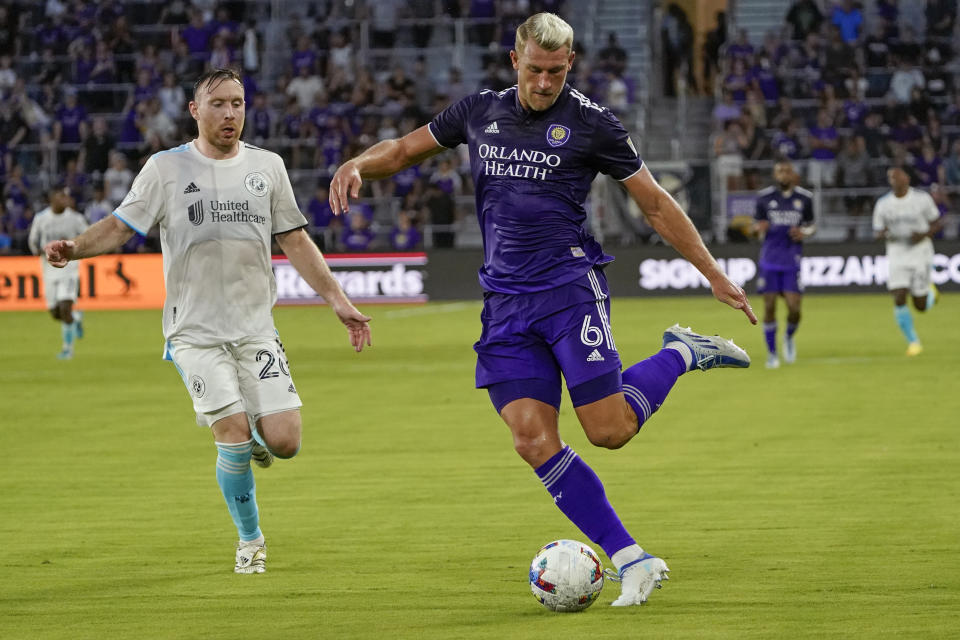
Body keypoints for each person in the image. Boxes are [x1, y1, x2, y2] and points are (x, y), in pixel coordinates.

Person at [329, 13, 756, 607]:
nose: (545, 82)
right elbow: (402, 150)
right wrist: (357, 163)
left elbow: (656, 205)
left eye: (556, 71)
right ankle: (633, 559)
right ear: (514, 61)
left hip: (568, 291)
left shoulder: (593, 124)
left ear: (570, 65)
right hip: (504, 303)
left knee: (608, 432)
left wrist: (712, 272)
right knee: (532, 440)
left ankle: (682, 351)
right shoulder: (478, 111)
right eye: (535, 69)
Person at [44, 69, 372, 574]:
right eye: (218, 104)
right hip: (193, 332)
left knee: (285, 442)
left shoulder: (268, 166)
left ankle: (262, 440)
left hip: (255, 327)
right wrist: (76, 248)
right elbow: (120, 226)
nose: (230, 114)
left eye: (238, 103)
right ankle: (251, 540)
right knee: (233, 434)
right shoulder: (165, 169)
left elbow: (295, 240)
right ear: (195, 110)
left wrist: (336, 299)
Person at [872, 167, 943, 356]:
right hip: (896, 252)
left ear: (907, 178)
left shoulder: (921, 199)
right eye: (890, 177)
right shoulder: (883, 204)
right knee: (899, 296)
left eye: (897, 176)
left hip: (920, 252)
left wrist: (924, 234)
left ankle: (930, 295)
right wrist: (883, 233)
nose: (893, 180)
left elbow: (937, 222)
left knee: (920, 306)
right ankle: (913, 342)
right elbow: (877, 231)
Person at [752, 161, 815, 369]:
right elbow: (755, 226)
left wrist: (803, 233)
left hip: (791, 260)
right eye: (780, 171)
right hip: (770, 260)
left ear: (793, 174)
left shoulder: (804, 199)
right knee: (769, 307)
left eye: (787, 171)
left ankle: (788, 337)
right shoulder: (764, 198)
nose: (783, 175)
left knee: (794, 308)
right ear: (774, 174)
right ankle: (772, 354)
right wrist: (758, 229)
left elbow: (811, 226)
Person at [28, 182, 88, 359]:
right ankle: (76, 319)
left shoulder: (75, 218)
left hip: (69, 269)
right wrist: (44, 251)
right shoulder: (41, 218)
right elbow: (33, 242)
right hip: (49, 270)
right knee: (55, 313)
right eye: (61, 196)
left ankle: (67, 349)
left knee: (64, 307)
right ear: (52, 198)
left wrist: (72, 248)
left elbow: (86, 237)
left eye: (66, 196)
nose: (64, 199)